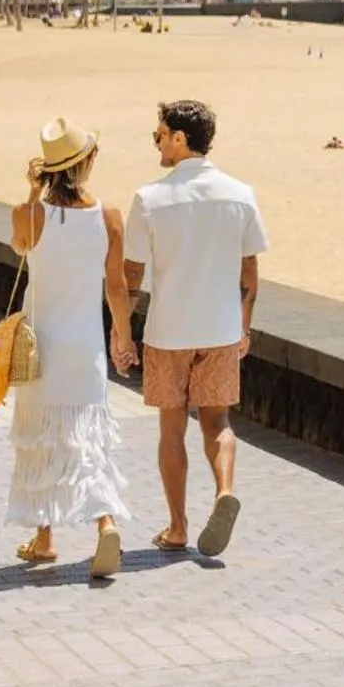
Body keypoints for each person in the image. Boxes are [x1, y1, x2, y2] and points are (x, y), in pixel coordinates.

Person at [124, 100, 269, 558]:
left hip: (169, 332)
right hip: (221, 328)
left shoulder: (150, 198)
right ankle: (225, 491)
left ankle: (178, 528)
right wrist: (244, 327)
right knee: (218, 423)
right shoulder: (240, 194)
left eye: (160, 135)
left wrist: (121, 332)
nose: (158, 143)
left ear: (181, 139)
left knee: (171, 430)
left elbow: (131, 274)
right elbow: (249, 273)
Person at [6, 118, 136, 578]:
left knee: (42, 438)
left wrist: (30, 193)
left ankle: (44, 539)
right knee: (88, 440)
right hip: (85, 347)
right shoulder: (109, 216)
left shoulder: (30, 215)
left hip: (41, 347)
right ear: (87, 163)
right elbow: (116, 289)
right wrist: (123, 337)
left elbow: (21, 244)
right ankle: (104, 524)